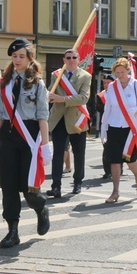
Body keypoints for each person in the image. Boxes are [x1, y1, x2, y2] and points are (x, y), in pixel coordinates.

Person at [0, 38, 52, 248]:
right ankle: (12, 231)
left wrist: (45, 144)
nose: (17, 60)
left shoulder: (37, 83)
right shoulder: (5, 82)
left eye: (21, 56)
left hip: (30, 137)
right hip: (8, 135)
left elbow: (43, 115)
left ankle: (40, 207)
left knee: (29, 189)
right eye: (14, 56)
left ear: (29, 58)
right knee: (7, 185)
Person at [99, 57, 137, 203]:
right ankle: (115, 191)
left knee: (130, 160)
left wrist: (136, 109)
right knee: (114, 160)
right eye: (117, 72)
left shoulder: (135, 84)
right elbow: (108, 108)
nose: (120, 75)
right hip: (114, 126)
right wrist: (103, 126)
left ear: (128, 70)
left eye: (122, 72)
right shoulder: (112, 87)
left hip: (130, 128)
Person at [46, 49, 92, 197]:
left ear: (78, 59)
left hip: (77, 119)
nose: (71, 60)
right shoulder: (56, 75)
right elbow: (51, 93)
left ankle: (78, 182)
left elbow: (84, 98)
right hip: (58, 119)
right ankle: (56, 186)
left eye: (74, 57)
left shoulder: (85, 76)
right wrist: (49, 97)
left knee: (79, 153)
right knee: (58, 154)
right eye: (68, 58)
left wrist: (63, 99)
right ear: (64, 59)